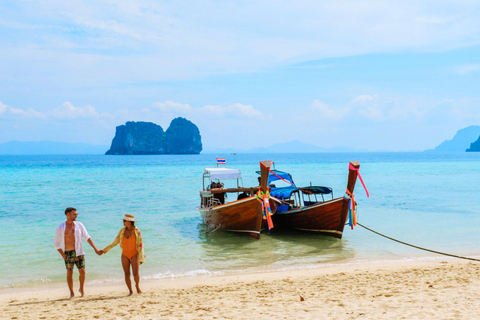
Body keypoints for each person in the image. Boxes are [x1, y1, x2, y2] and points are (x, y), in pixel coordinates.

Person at [53, 207, 102, 299]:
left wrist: (96, 248)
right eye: (74, 214)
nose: (76, 215)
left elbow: (87, 237)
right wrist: (63, 255)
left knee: (82, 272)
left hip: (79, 252)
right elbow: (56, 244)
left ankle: (81, 289)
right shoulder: (60, 228)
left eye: (76, 214)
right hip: (68, 253)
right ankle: (72, 293)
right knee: (69, 273)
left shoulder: (79, 225)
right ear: (68, 215)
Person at [100, 214, 145, 296]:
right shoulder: (122, 231)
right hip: (124, 254)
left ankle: (137, 286)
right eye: (123, 220)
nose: (123, 222)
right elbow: (115, 242)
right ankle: (130, 291)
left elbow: (140, 244)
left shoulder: (136, 231)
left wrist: (141, 257)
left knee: (135, 274)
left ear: (130, 222)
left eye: (125, 220)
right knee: (126, 273)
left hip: (135, 253)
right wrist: (104, 250)